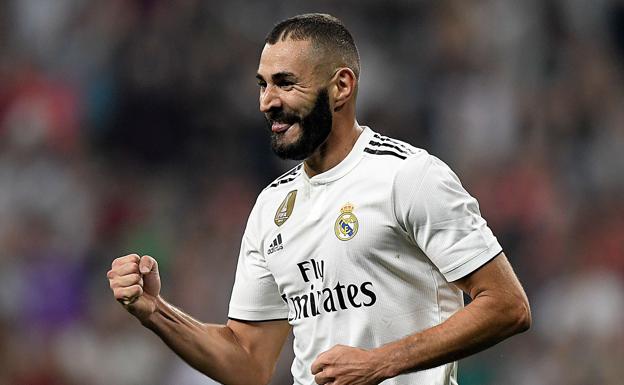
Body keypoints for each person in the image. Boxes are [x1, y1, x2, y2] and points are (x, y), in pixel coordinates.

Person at [107, 13, 531, 385]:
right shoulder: (271, 208)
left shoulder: (409, 176)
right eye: (263, 85)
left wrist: (379, 364)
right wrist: (154, 311)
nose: (267, 102)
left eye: (285, 83)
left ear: (341, 87)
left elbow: (507, 306)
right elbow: (248, 362)